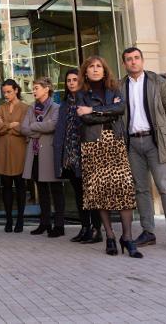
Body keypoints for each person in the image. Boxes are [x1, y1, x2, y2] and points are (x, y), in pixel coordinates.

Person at [77, 56, 142, 258]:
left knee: (123, 188)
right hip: (93, 145)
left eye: (99, 67)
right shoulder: (80, 94)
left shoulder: (114, 90)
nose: (95, 69)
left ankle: (128, 237)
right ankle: (111, 236)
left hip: (115, 142)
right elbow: (85, 117)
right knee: (101, 191)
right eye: (91, 67)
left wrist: (95, 109)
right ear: (85, 72)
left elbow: (120, 109)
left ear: (104, 71)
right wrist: (107, 111)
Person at [120, 47, 166, 252]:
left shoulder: (159, 82)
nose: (133, 62)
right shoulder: (120, 86)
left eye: (136, 58)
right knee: (141, 189)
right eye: (129, 59)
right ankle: (148, 232)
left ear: (142, 60)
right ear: (124, 64)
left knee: (165, 187)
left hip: (154, 142)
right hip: (132, 144)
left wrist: (165, 133)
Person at [54, 69, 102, 244]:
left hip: (86, 151)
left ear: (81, 81)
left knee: (91, 193)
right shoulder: (65, 104)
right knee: (79, 194)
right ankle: (85, 227)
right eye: (68, 80)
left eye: (75, 80)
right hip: (70, 154)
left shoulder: (88, 99)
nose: (72, 83)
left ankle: (97, 229)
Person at [21, 77, 65, 238]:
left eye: (37, 87)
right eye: (33, 88)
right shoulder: (31, 107)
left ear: (47, 89)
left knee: (56, 190)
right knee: (41, 190)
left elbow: (52, 125)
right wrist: (39, 129)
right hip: (35, 154)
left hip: (50, 153)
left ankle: (59, 225)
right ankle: (44, 223)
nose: (34, 90)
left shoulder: (56, 107)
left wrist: (34, 128)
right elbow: (23, 128)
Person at [0, 79, 29, 233]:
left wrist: (7, 126)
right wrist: (11, 125)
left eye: (9, 91)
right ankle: (8, 220)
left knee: (20, 187)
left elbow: (25, 128)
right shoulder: (1, 108)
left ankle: (20, 219)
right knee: (6, 187)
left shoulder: (26, 108)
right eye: (4, 92)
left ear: (16, 90)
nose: (6, 95)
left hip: (20, 151)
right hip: (4, 152)